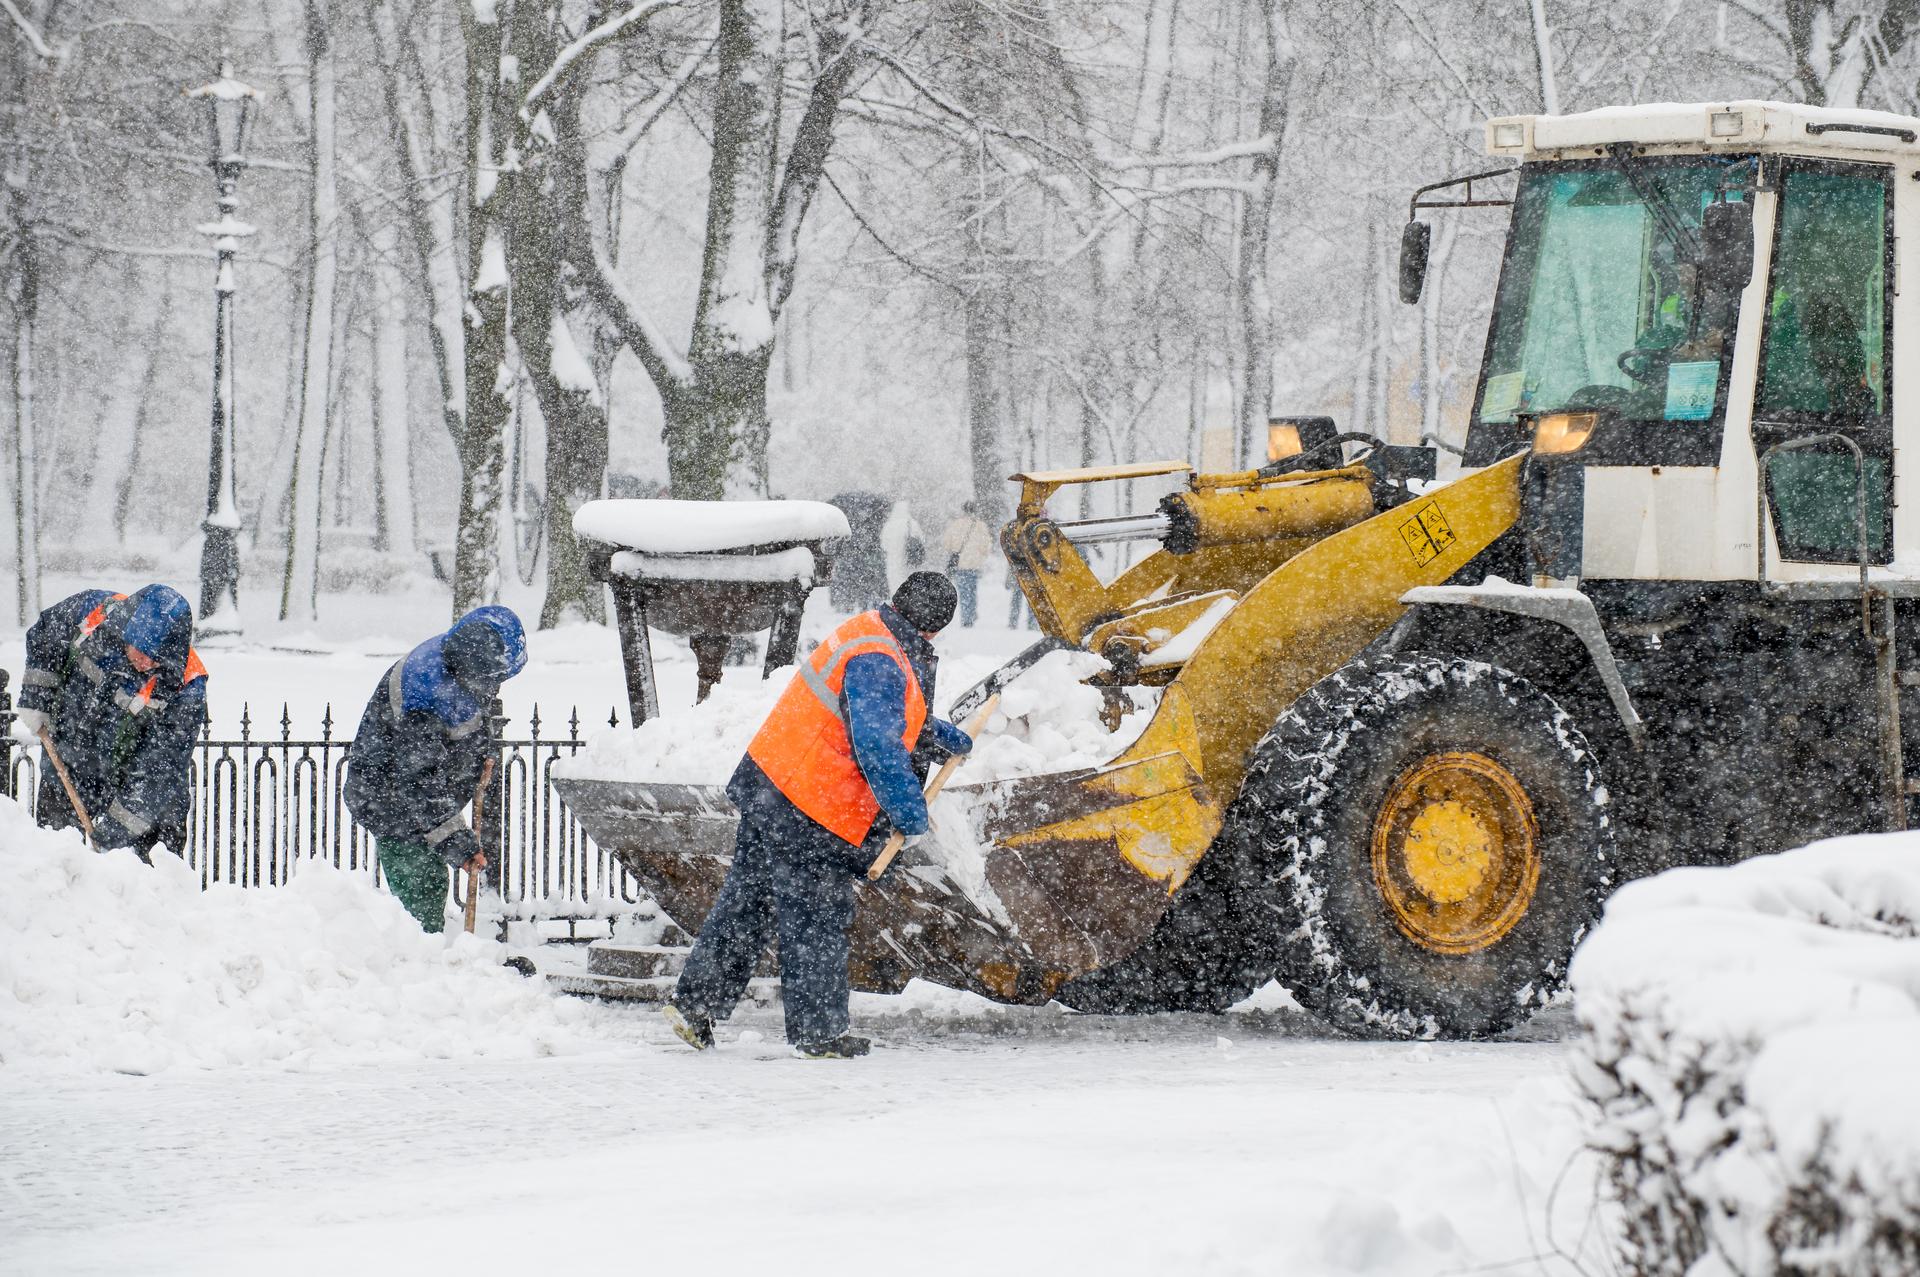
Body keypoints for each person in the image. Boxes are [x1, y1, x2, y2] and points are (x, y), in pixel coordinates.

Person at [666, 572, 974, 1058]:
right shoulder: (883, 657)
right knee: (816, 919)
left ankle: (694, 1006)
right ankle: (819, 1034)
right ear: (936, 628)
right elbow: (875, 741)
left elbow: (874, 712)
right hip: (812, 808)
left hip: (770, 786)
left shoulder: (870, 631)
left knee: (747, 905)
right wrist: (910, 811)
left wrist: (933, 734)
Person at [345, 606, 527, 933]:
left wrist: (476, 757)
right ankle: (417, 963)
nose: (496, 687)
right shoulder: (425, 689)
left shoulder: (461, 666)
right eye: (495, 679)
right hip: (390, 803)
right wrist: (460, 844)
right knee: (422, 889)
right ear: (475, 669)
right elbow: (419, 782)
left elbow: (461, 723)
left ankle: (425, 953)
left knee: (428, 881)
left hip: (411, 801)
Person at [15, 585, 206, 858]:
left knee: (132, 886)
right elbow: (47, 634)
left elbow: (157, 774)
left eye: (156, 657)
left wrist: (113, 838)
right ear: (129, 630)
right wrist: (36, 696)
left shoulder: (187, 687)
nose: (145, 661)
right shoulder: (96, 613)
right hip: (66, 769)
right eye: (141, 649)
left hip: (144, 808)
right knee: (56, 870)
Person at [939, 502, 996, 628]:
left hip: (960, 564)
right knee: (972, 590)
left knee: (964, 591)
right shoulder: (980, 526)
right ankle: (971, 613)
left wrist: (955, 548)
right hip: (974, 564)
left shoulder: (955, 524)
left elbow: (946, 543)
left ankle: (966, 618)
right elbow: (986, 546)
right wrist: (980, 554)